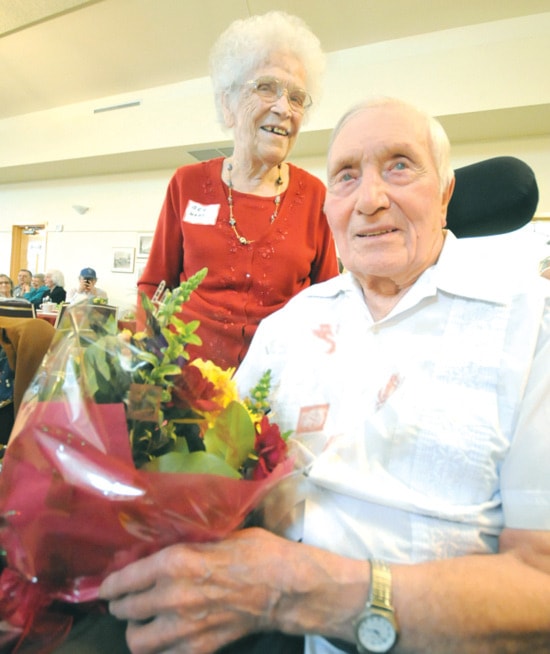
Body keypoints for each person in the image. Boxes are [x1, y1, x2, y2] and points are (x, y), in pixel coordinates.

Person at [99, 98, 550, 654]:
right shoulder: (289, 324)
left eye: (400, 166)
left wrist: (297, 592)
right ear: (329, 205)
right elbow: (214, 470)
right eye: (346, 177)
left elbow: (540, 588)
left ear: (446, 193)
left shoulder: (532, 327)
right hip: (240, 623)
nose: (370, 199)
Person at [137, 11, 338, 371]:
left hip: (275, 391)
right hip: (187, 390)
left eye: (296, 98)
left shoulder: (315, 196)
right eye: (266, 87)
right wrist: (148, 376)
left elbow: (331, 304)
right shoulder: (187, 184)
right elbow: (154, 285)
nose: (283, 108)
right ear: (227, 104)